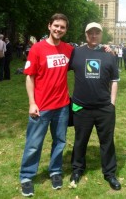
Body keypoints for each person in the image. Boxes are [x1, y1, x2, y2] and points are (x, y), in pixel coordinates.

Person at [19, 13, 74, 197]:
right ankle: (27, 176)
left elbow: (84, 57)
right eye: (56, 26)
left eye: (62, 27)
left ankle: (55, 171)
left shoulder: (68, 49)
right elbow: (29, 77)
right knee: (34, 144)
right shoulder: (37, 48)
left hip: (62, 106)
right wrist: (32, 102)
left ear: (66, 30)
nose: (59, 29)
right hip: (41, 107)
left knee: (60, 142)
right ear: (49, 26)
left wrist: (104, 49)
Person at [69, 22, 121, 191]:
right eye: (90, 33)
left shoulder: (109, 55)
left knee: (107, 141)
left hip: (104, 108)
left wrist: (112, 103)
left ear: (101, 35)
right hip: (81, 107)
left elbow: (114, 80)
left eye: (96, 33)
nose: (93, 35)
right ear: (86, 35)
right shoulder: (76, 53)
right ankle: (77, 169)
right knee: (80, 140)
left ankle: (110, 173)